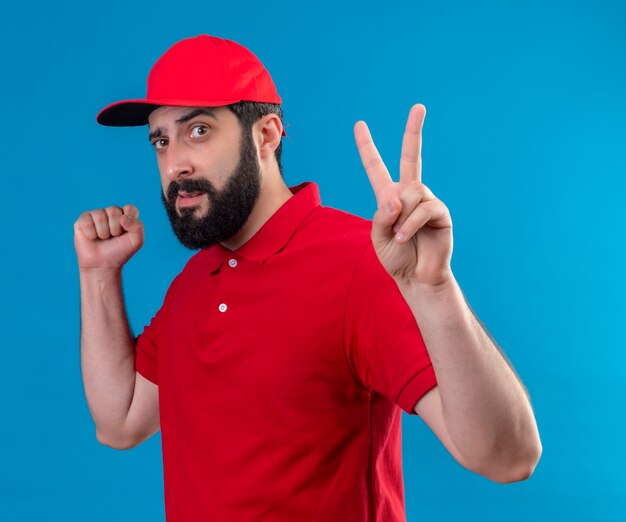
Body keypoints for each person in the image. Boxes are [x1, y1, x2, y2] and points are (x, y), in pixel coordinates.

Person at [75, 35, 541, 521]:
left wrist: (436, 290)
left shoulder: (363, 262)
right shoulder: (193, 283)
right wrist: (98, 274)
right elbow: (121, 420)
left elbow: (509, 457)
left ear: (267, 134)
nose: (174, 165)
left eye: (198, 130)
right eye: (161, 140)